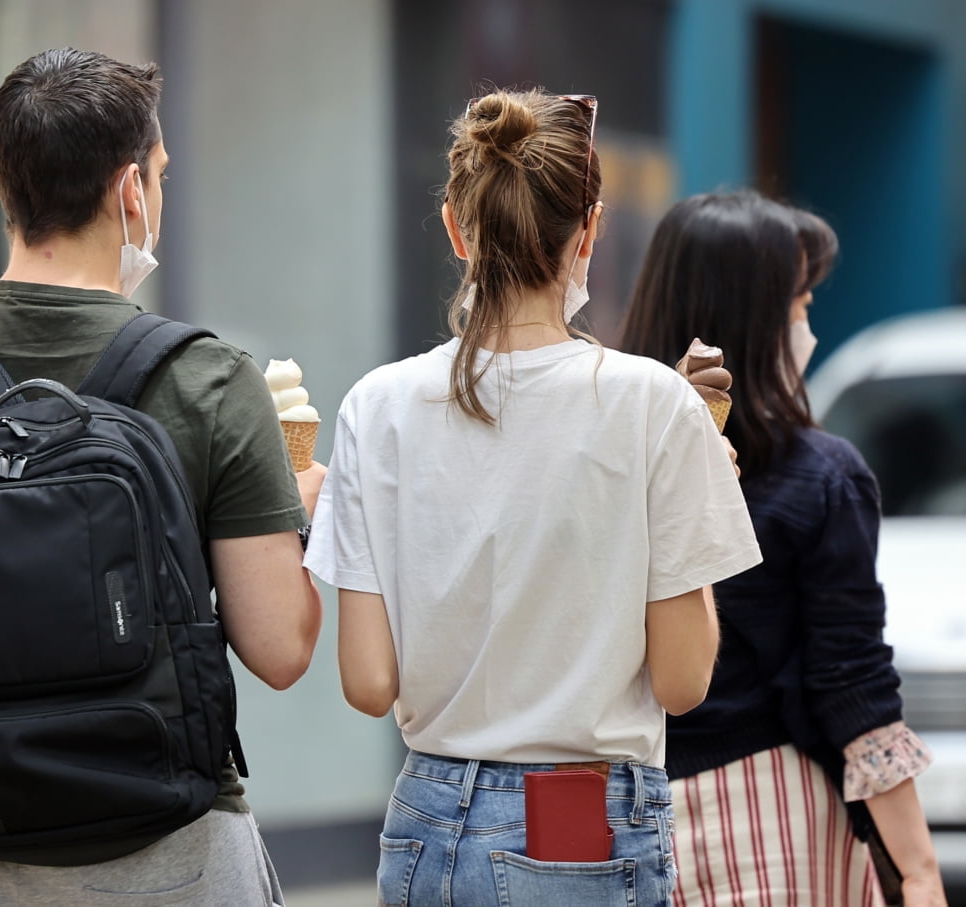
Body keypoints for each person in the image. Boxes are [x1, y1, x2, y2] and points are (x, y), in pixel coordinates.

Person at [0, 48, 324, 906]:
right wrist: (302, 513)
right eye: (160, 178)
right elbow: (281, 650)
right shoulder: (209, 380)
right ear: (131, 191)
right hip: (174, 855)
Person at [303, 88, 762, 906]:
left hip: (425, 820)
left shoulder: (375, 406)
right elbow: (684, 679)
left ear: (456, 227)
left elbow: (370, 682)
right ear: (589, 232)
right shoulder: (656, 404)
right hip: (583, 826)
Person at [620, 189, 947, 906]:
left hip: (610, 815)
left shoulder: (600, 456)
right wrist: (919, 870)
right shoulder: (820, 476)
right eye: (798, 303)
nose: (806, 324)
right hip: (768, 820)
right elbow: (852, 685)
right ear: (754, 315)